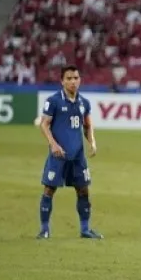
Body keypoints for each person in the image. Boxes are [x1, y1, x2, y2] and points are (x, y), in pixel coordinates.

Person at [37, 65, 102, 239]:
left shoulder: (84, 103)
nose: (73, 82)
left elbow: (88, 125)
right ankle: (44, 230)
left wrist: (92, 142)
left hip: (78, 156)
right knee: (49, 190)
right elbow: (44, 124)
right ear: (62, 81)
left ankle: (85, 229)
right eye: (69, 78)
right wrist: (53, 144)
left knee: (83, 191)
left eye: (76, 78)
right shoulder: (54, 101)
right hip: (58, 155)